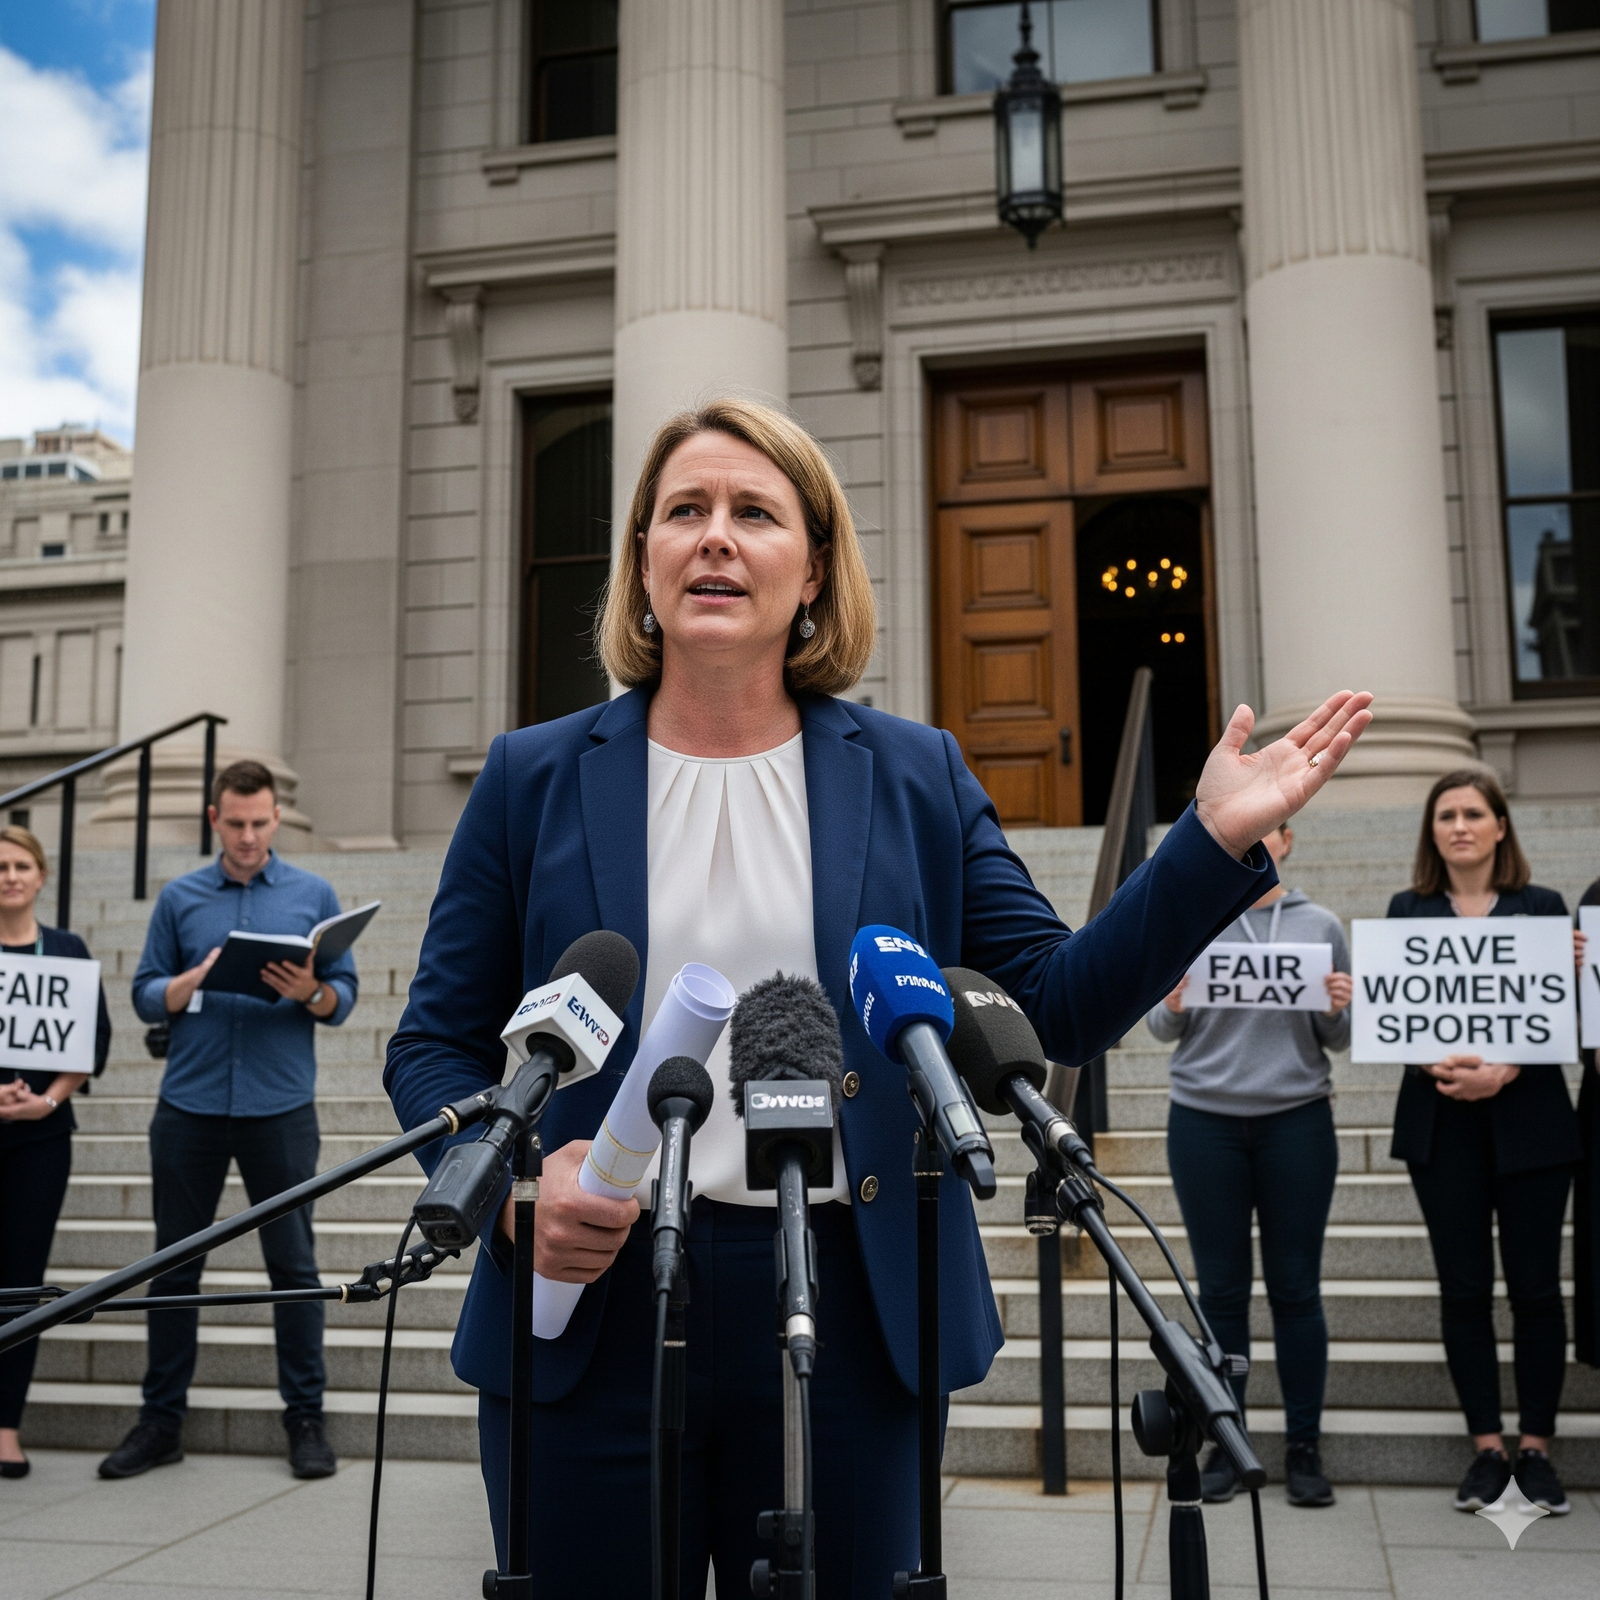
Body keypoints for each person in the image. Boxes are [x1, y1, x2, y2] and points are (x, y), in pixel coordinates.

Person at [384, 397, 1373, 1596]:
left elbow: (1052, 1005)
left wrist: (1209, 842)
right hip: (588, 1304)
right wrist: (518, 1191)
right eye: (682, 511)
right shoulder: (530, 777)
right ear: (641, 563)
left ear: (813, 573)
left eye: (755, 512)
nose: (714, 537)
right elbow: (434, 1046)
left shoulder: (914, 772)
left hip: (848, 1304)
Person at [98, 761, 359, 1482]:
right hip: (189, 1107)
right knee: (172, 1269)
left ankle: (305, 1417)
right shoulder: (180, 898)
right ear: (214, 819)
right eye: (235, 823)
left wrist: (311, 991)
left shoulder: (314, 894)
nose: (247, 837)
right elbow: (148, 994)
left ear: (276, 819)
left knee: (294, 1269)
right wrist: (187, 982)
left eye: (260, 823)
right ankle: (161, 1422)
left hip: (280, 1108)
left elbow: (346, 997)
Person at [1388, 769, 1582, 1515]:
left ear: (1501, 826)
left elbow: (1562, 1015)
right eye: (1446, 815)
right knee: (1464, 1290)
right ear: (1432, 832)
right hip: (1444, 1124)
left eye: (1474, 812)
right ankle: (1486, 1452)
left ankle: (1535, 1451)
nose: (1460, 825)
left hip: (1530, 1118)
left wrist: (1505, 1067)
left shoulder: (1546, 912)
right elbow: (1397, 1015)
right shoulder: (1407, 913)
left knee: (1535, 1289)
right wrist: (1443, 1064)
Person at [1149, 821, 1351, 1510]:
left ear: (1290, 840)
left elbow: (1340, 1036)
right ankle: (1223, 1441)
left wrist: (1336, 1009)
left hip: (1297, 1118)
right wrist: (1172, 1001)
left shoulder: (1320, 924)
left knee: (1296, 1287)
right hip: (1205, 1121)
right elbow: (1158, 1026)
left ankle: (1303, 1446)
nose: (1260, 840)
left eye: (1273, 830)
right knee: (1222, 1292)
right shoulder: (1192, 917)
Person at [0, 825, 112, 1479]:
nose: (10, 875)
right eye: (0, 866)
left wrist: (44, 1099)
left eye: (21, 865)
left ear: (40, 877)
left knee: (19, 1281)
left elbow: (90, 1039)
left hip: (41, 1135)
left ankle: (5, 1426)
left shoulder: (66, 948)